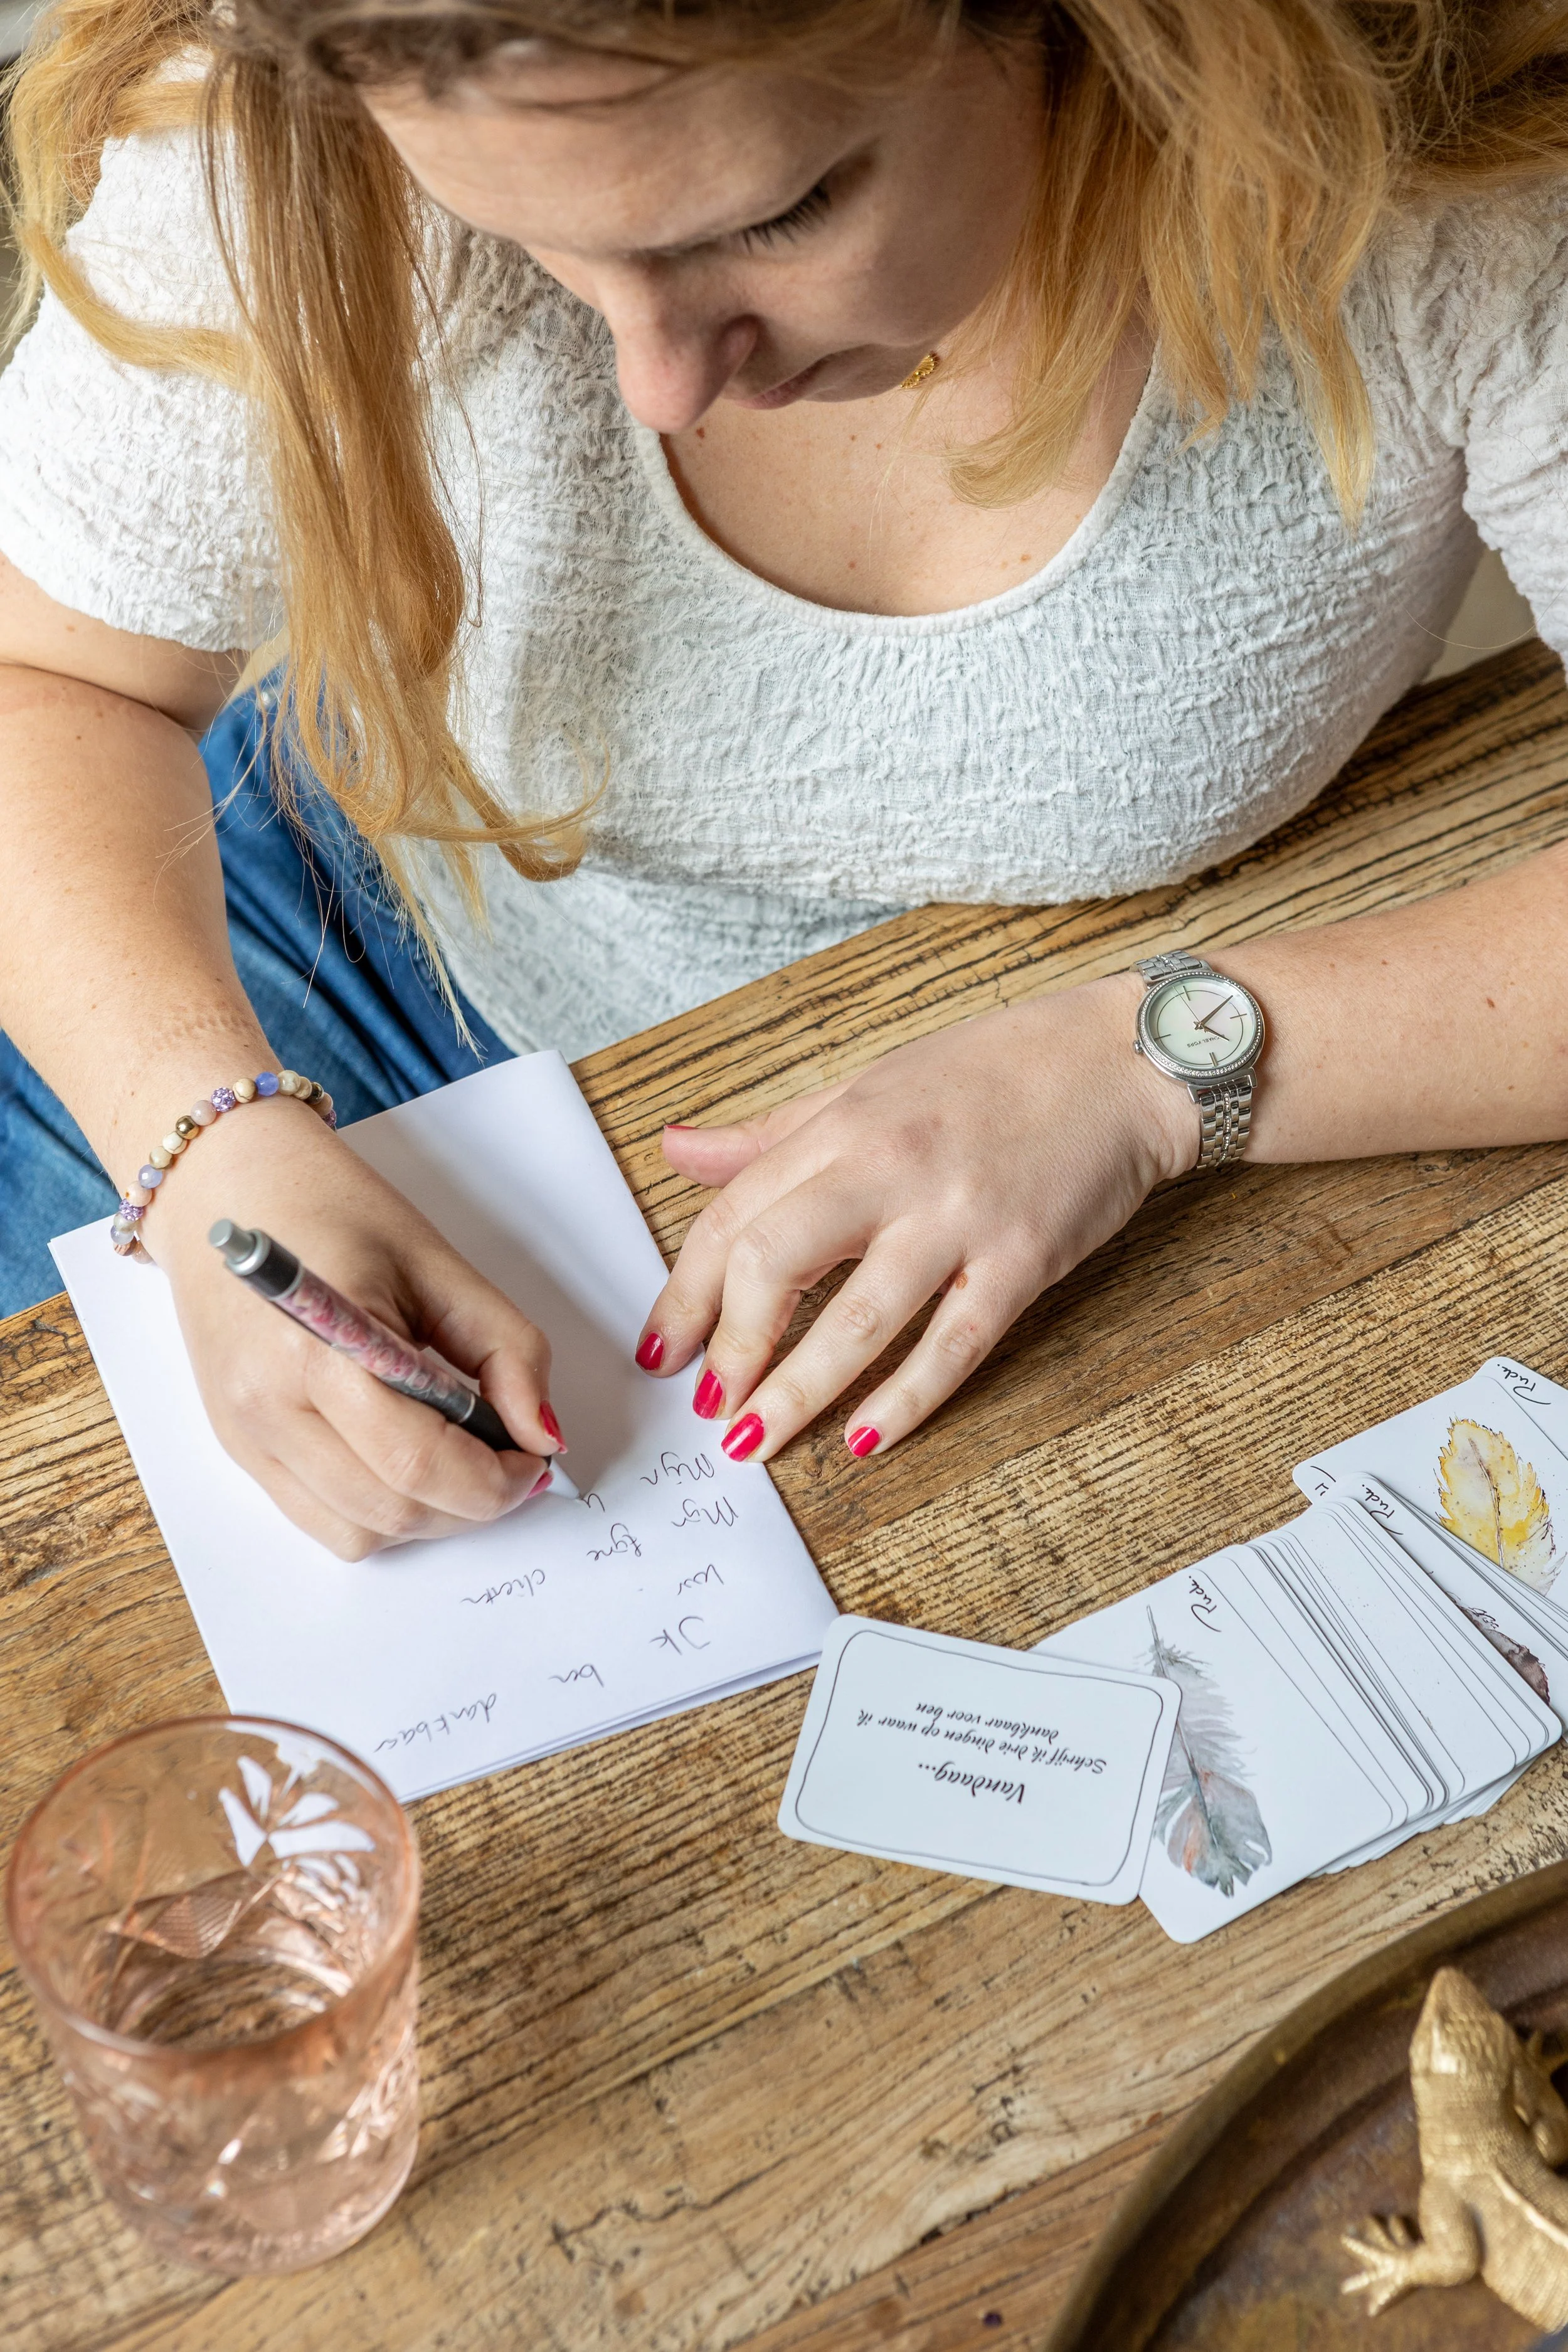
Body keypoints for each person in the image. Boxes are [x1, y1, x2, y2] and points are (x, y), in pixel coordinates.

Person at [1, 0, 1565, 1558]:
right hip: (309, 945)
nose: (659, 380)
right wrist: (202, 1135)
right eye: (514, 231)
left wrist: (1159, 1066)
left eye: (772, 213)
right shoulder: (294, 130)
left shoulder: (1464, 187)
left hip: (1073, 1066)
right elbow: (49, 682)